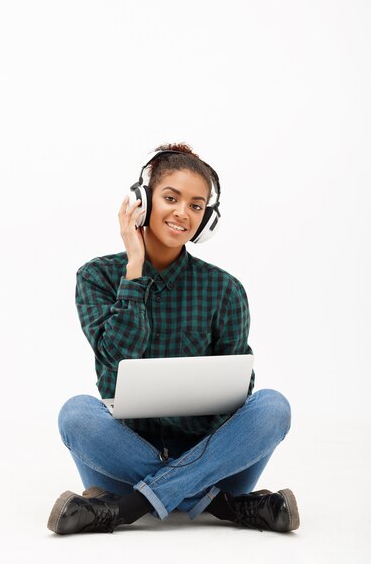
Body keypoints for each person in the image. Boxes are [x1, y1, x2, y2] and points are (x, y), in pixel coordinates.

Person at [47, 143, 300, 535]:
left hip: (214, 459)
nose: (183, 213)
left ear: (207, 219)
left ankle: (124, 511)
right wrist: (134, 270)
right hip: (126, 461)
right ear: (143, 201)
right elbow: (114, 360)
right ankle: (225, 507)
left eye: (197, 206)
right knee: (76, 414)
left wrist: (201, 444)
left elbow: (237, 391)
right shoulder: (96, 277)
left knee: (274, 407)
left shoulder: (224, 289)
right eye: (171, 198)